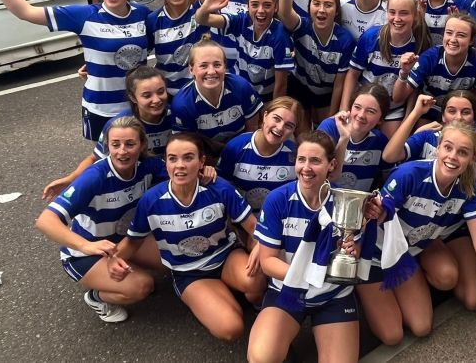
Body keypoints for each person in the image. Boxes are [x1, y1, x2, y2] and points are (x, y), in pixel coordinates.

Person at [359, 122, 476, 345]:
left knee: (422, 327)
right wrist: (376, 213)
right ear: (438, 148)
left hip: (405, 255)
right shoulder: (409, 175)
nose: (453, 156)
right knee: (392, 336)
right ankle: (363, 290)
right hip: (373, 254)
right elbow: (376, 216)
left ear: (472, 158)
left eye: (463, 152)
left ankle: (413, 276)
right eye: (448, 148)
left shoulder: (468, 189)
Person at [0, 0, 150, 141]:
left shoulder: (142, 13)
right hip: (100, 108)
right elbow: (25, 12)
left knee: (143, 158)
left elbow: (153, 45)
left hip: (137, 107)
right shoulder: (83, 15)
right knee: (106, 162)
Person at [109, 133, 261, 338]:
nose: (180, 165)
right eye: (173, 158)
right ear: (167, 163)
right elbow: (133, 242)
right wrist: (113, 260)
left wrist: (260, 247)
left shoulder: (219, 188)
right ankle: (212, 296)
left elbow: (253, 227)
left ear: (202, 162)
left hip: (226, 257)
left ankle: (250, 300)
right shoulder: (151, 201)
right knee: (231, 329)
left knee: (256, 280)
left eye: (188, 158)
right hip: (188, 272)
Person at [36, 117, 167, 322]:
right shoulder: (94, 177)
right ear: (107, 145)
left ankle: (126, 265)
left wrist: (208, 174)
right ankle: (96, 297)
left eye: (130, 144)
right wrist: (86, 246)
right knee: (143, 286)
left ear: (142, 145)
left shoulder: (149, 166)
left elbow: (182, 177)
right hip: (86, 252)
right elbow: (45, 221)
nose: (122, 151)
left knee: (174, 259)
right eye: (115, 144)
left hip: (127, 241)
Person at [248, 131, 362, 363]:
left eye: (315, 161)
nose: (306, 168)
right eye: (302, 160)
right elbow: (268, 262)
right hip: (287, 291)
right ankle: (281, 339)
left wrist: (350, 249)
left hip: (333, 294)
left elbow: (354, 252)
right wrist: (309, 276)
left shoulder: (346, 200)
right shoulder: (279, 199)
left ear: (331, 164)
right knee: (263, 358)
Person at [43, 66, 176, 199]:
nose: (157, 100)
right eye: (147, 95)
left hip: (172, 177)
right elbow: (95, 158)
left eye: (161, 92)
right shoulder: (118, 125)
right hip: (136, 184)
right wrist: (71, 180)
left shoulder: (177, 115)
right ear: (133, 98)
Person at [277, 0, 357, 123]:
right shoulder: (302, 26)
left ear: (336, 11)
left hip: (326, 93)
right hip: (300, 88)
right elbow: (284, 13)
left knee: (324, 130)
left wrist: (331, 118)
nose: (321, 9)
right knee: (300, 131)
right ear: (309, 8)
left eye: (328, 5)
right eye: (316, 4)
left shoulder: (345, 41)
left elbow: (339, 85)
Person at [342, 0, 432, 135]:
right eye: (392, 12)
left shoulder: (420, 45)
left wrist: (407, 122)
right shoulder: (371, 37)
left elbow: (414, 88)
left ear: (415, 16)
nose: (397, 18)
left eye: (404, 13)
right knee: (350, 137)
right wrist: (344, 109)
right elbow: (353, 74)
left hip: (394, 107)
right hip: (365, 103)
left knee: (392, 147)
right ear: (386, 12)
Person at [195, 0, 294, 102]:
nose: (261, 10)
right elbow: (201, 19)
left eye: (267, 5)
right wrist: (206, 7)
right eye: (254, 4)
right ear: (247, 6)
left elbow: (281, 85)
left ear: (276, 7)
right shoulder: (241, 21)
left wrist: (273, 111)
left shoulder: (280, 36)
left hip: (266, 98)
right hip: (239, 92)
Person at [216, 97, 307, 210]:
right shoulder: (236, 147)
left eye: (289, 125)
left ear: (294, 130)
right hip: (239, 221)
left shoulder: (296, 154)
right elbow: (221, 190)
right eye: (276, 119)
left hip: (277, 222)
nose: (280, 128)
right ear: (265, 116)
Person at [393, 14, 476, 118]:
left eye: (461, 35)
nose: (453, 39)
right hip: (430, 108)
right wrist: (404, 73)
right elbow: (398, 98)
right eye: (449, 33)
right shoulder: (429, 58)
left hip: (458, 113)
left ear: (471, 40)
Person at [171, 39, 263, 144]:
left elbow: (252, 129)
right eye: (203, 65)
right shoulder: (182, 105)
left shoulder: (241, 87)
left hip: (241, 147)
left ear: (225, 66)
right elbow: (189, 146)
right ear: (191, 70)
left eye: (217, 65)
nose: (211, 71)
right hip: (206, 154)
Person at [319, 84, 390, 191]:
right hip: (324, 199)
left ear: (380, 119)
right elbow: (327, 175)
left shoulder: (380, 141)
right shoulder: (330, 127)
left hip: (358, 204)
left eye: (370, 111)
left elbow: (387, 178)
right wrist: (344, 138)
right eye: (357, 107)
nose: (361, 115)